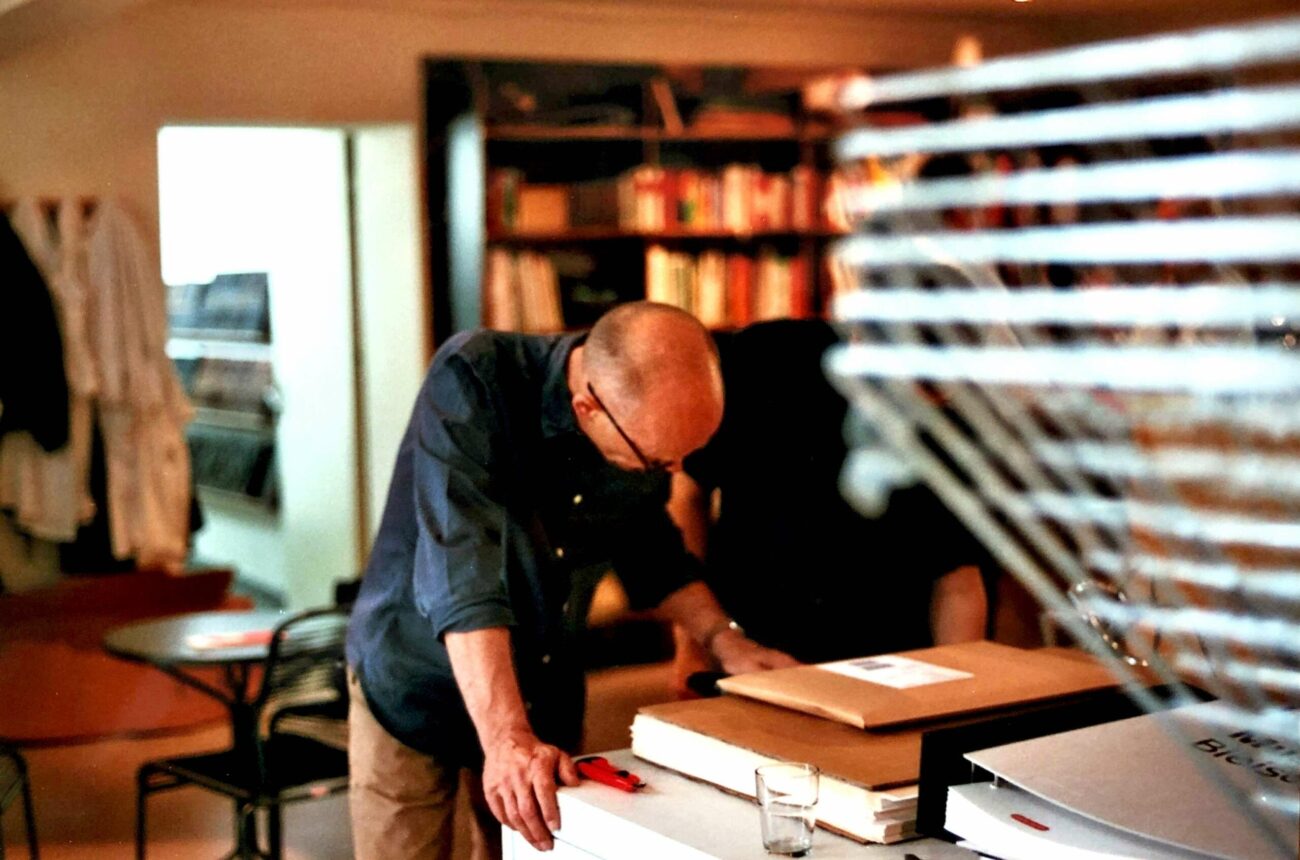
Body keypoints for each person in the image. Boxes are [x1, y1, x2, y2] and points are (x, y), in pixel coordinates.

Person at [345, 301, 796, 860]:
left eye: (685, 457)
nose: (674, 473)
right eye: (659, 462)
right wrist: (506, 738)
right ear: (587, 406)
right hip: (416, 678)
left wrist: (725, 639)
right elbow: (463, 573)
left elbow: (652, 549)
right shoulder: (473, 380)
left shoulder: (635, 418)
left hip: (542, 684)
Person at [667, 318, 992, 688]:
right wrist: (694, 643)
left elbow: (958, 579)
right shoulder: (763, 359)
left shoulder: (954, 425)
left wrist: (957, 688)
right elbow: (688, 495)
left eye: (932, 390)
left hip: (893, 661)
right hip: (754, 648)